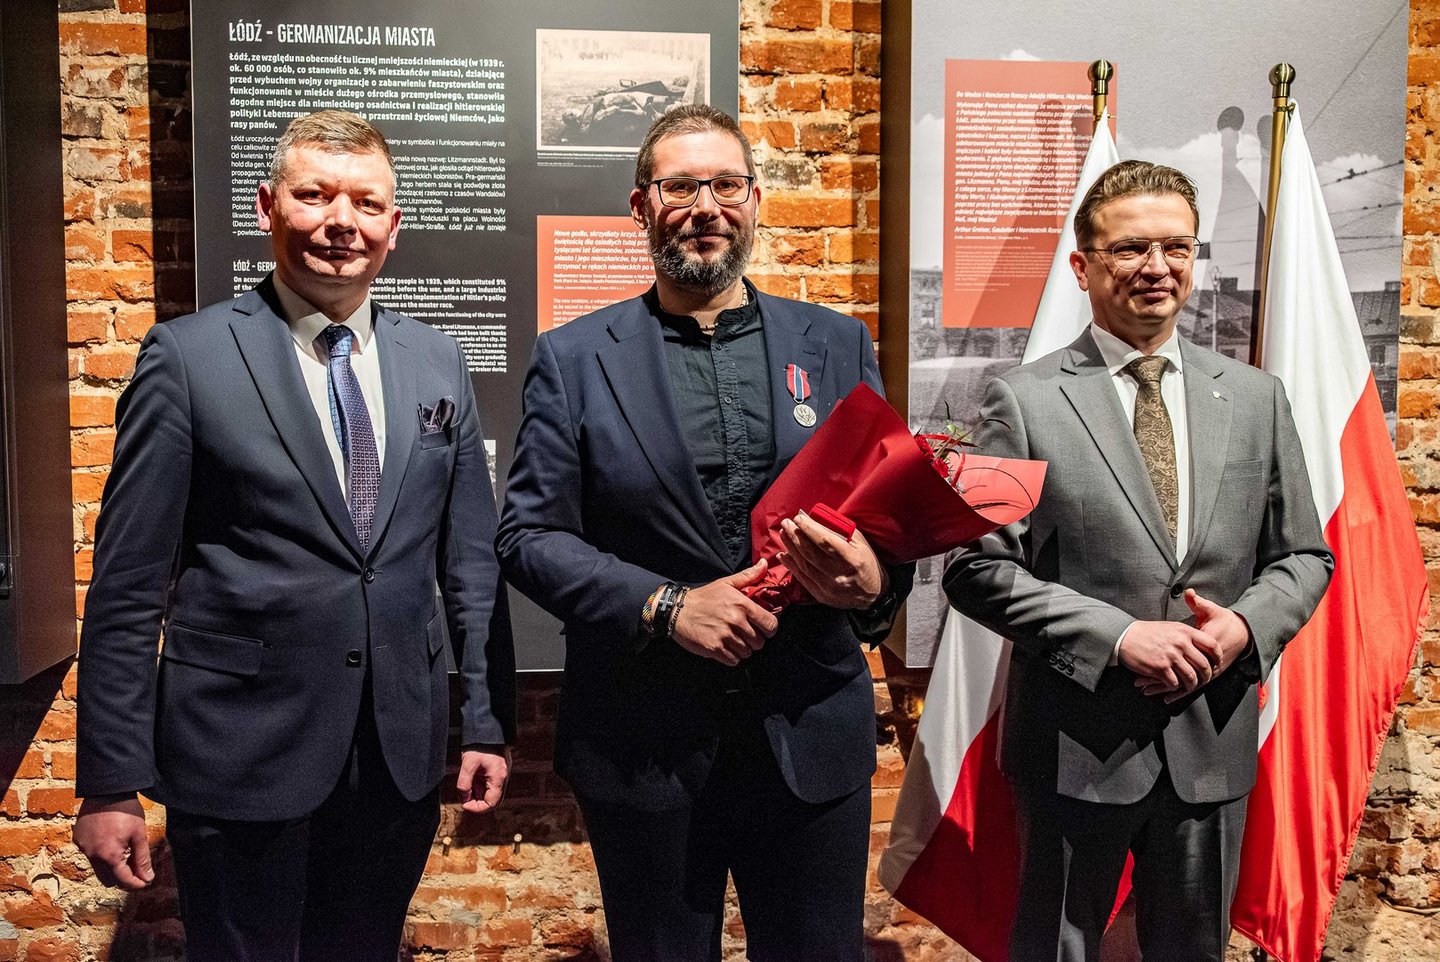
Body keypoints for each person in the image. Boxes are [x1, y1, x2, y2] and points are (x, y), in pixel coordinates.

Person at [73, 110, 515, 962]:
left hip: (394, 754)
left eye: (366, 203)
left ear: (393, 225)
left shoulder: (438, 361)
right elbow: (129, 584)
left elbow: (469, 563)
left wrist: (486, 723)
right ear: (267, 206)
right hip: (239, 750)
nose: (341, 221)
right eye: (315, 195)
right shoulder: (188, 359)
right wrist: (109, 781)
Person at [496, 104, 910, 962]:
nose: (705, 206)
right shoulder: (575, 358)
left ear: (755, 200)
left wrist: (874, 583)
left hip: (809, 731)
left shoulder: (837, 344)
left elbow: (885, 515)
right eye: (680, 186)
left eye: (726, 184)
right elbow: (529, 536)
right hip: (642, 741)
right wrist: (667, 605)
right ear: (641, 206)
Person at [944, 160, 1334, 962]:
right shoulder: (1021, 400)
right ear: (1082, 266)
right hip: (1074, 748)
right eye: (1130, 249)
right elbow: (977, 569)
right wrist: (1119, 638)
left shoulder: (1256, 398)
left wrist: (1242, 630)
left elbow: (1303, 554)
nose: (1157, 267)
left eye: (1177, 247)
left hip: (1212, 743)